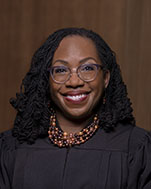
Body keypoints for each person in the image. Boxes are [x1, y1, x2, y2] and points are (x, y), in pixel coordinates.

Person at [0, 28, 151, 189]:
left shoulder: (136, 148)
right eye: (60, 70)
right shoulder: (11, 148)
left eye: (87, 68)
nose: (74, 82)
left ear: (105, 78)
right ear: (47, 81)